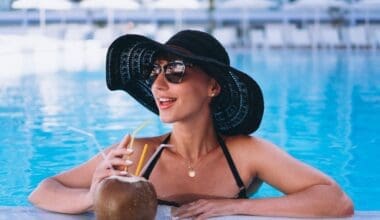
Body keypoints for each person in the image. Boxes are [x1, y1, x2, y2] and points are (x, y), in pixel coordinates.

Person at [29, 30, 354, 219]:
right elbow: (43, 190)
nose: (158, 84)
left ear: (213, 87)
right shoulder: (137, 152)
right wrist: (93, 196)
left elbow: (336, 201)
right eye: (153, 73)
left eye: (176, 71)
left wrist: (229, 208)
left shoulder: (245, 154)